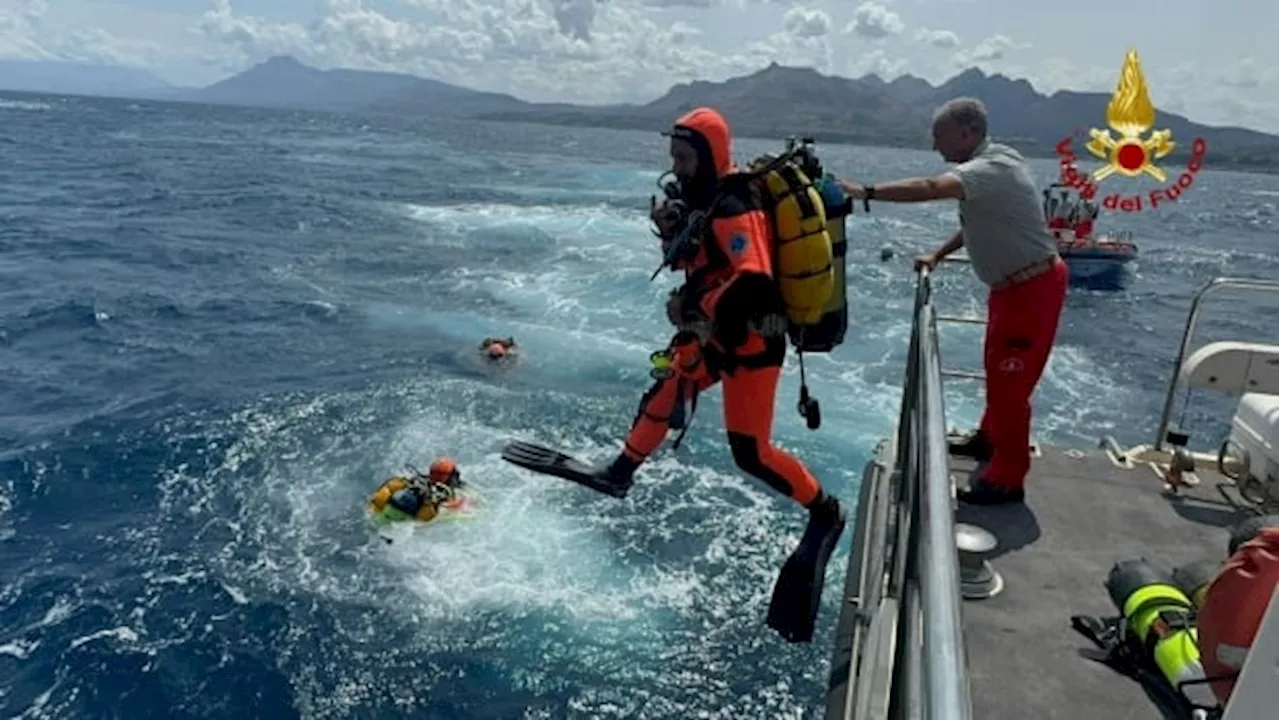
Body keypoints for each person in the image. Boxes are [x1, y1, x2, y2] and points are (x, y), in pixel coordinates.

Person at [503, 107, 845, 643]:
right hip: (714, 333)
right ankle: (620, 471)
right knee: (670, 382)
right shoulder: (707, 198)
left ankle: (825, 512)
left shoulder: (734, 203)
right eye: (674, 158)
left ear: (710, 155)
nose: (677, 167)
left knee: (750, 453)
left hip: (751, 339)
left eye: (685, 158)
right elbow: (709, 262)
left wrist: (692, 301)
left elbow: (753, 281)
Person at [837, 97, 1067, 505]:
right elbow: (983, 222)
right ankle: (988, 440)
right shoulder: (996, 164)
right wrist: (938, 254)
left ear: (967, 134)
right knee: (998, 374)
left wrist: (865, 191)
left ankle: (1007, 479)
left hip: (1031, 290)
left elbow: (930, 188)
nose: (934, 147)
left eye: (938, 137)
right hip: (1012, 288)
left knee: (1010, 386)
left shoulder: (991, 168)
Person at [369, 457, 464, 525]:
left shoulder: (415, 482)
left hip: (386, 515)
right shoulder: (442, 492)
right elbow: (453, 507)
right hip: (411, 520)